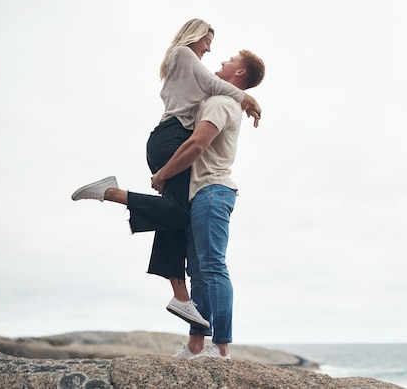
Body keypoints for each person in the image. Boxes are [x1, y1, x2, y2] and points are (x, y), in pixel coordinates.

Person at [71, 19, 261, 330]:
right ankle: (110, 192)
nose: (210, 50)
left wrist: (241, 98)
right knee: (177, 213)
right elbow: (215, 87)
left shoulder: (191, 68)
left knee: (175, 217)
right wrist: (247, 98)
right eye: (208, 41)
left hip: (169, 139)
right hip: (172, 138)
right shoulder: (184, 55)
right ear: (195, 35)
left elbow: (213, 89)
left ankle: (180, 296)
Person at [150, 49, 265, 359]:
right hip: (200, 193)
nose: (222, 62)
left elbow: (196, 144)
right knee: (199, 272)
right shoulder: (220, 99)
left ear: (239, 73)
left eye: (229, 61)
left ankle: (221, 347)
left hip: (213, 192)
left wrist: (162, 175)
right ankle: (196, 345)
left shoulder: (220, 102)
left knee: (212, 268)